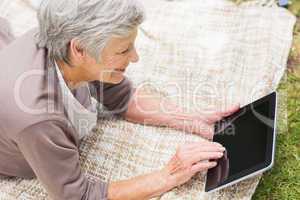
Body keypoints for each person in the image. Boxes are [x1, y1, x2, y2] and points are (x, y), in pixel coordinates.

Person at [0, 0, 239, 199]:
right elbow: (77, 195)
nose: (135, 58)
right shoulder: (37, 117)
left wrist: (191, 118)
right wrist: (169, 175)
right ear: (79, 50)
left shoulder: (66, 42)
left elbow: (121, 97)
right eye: (124, 50)